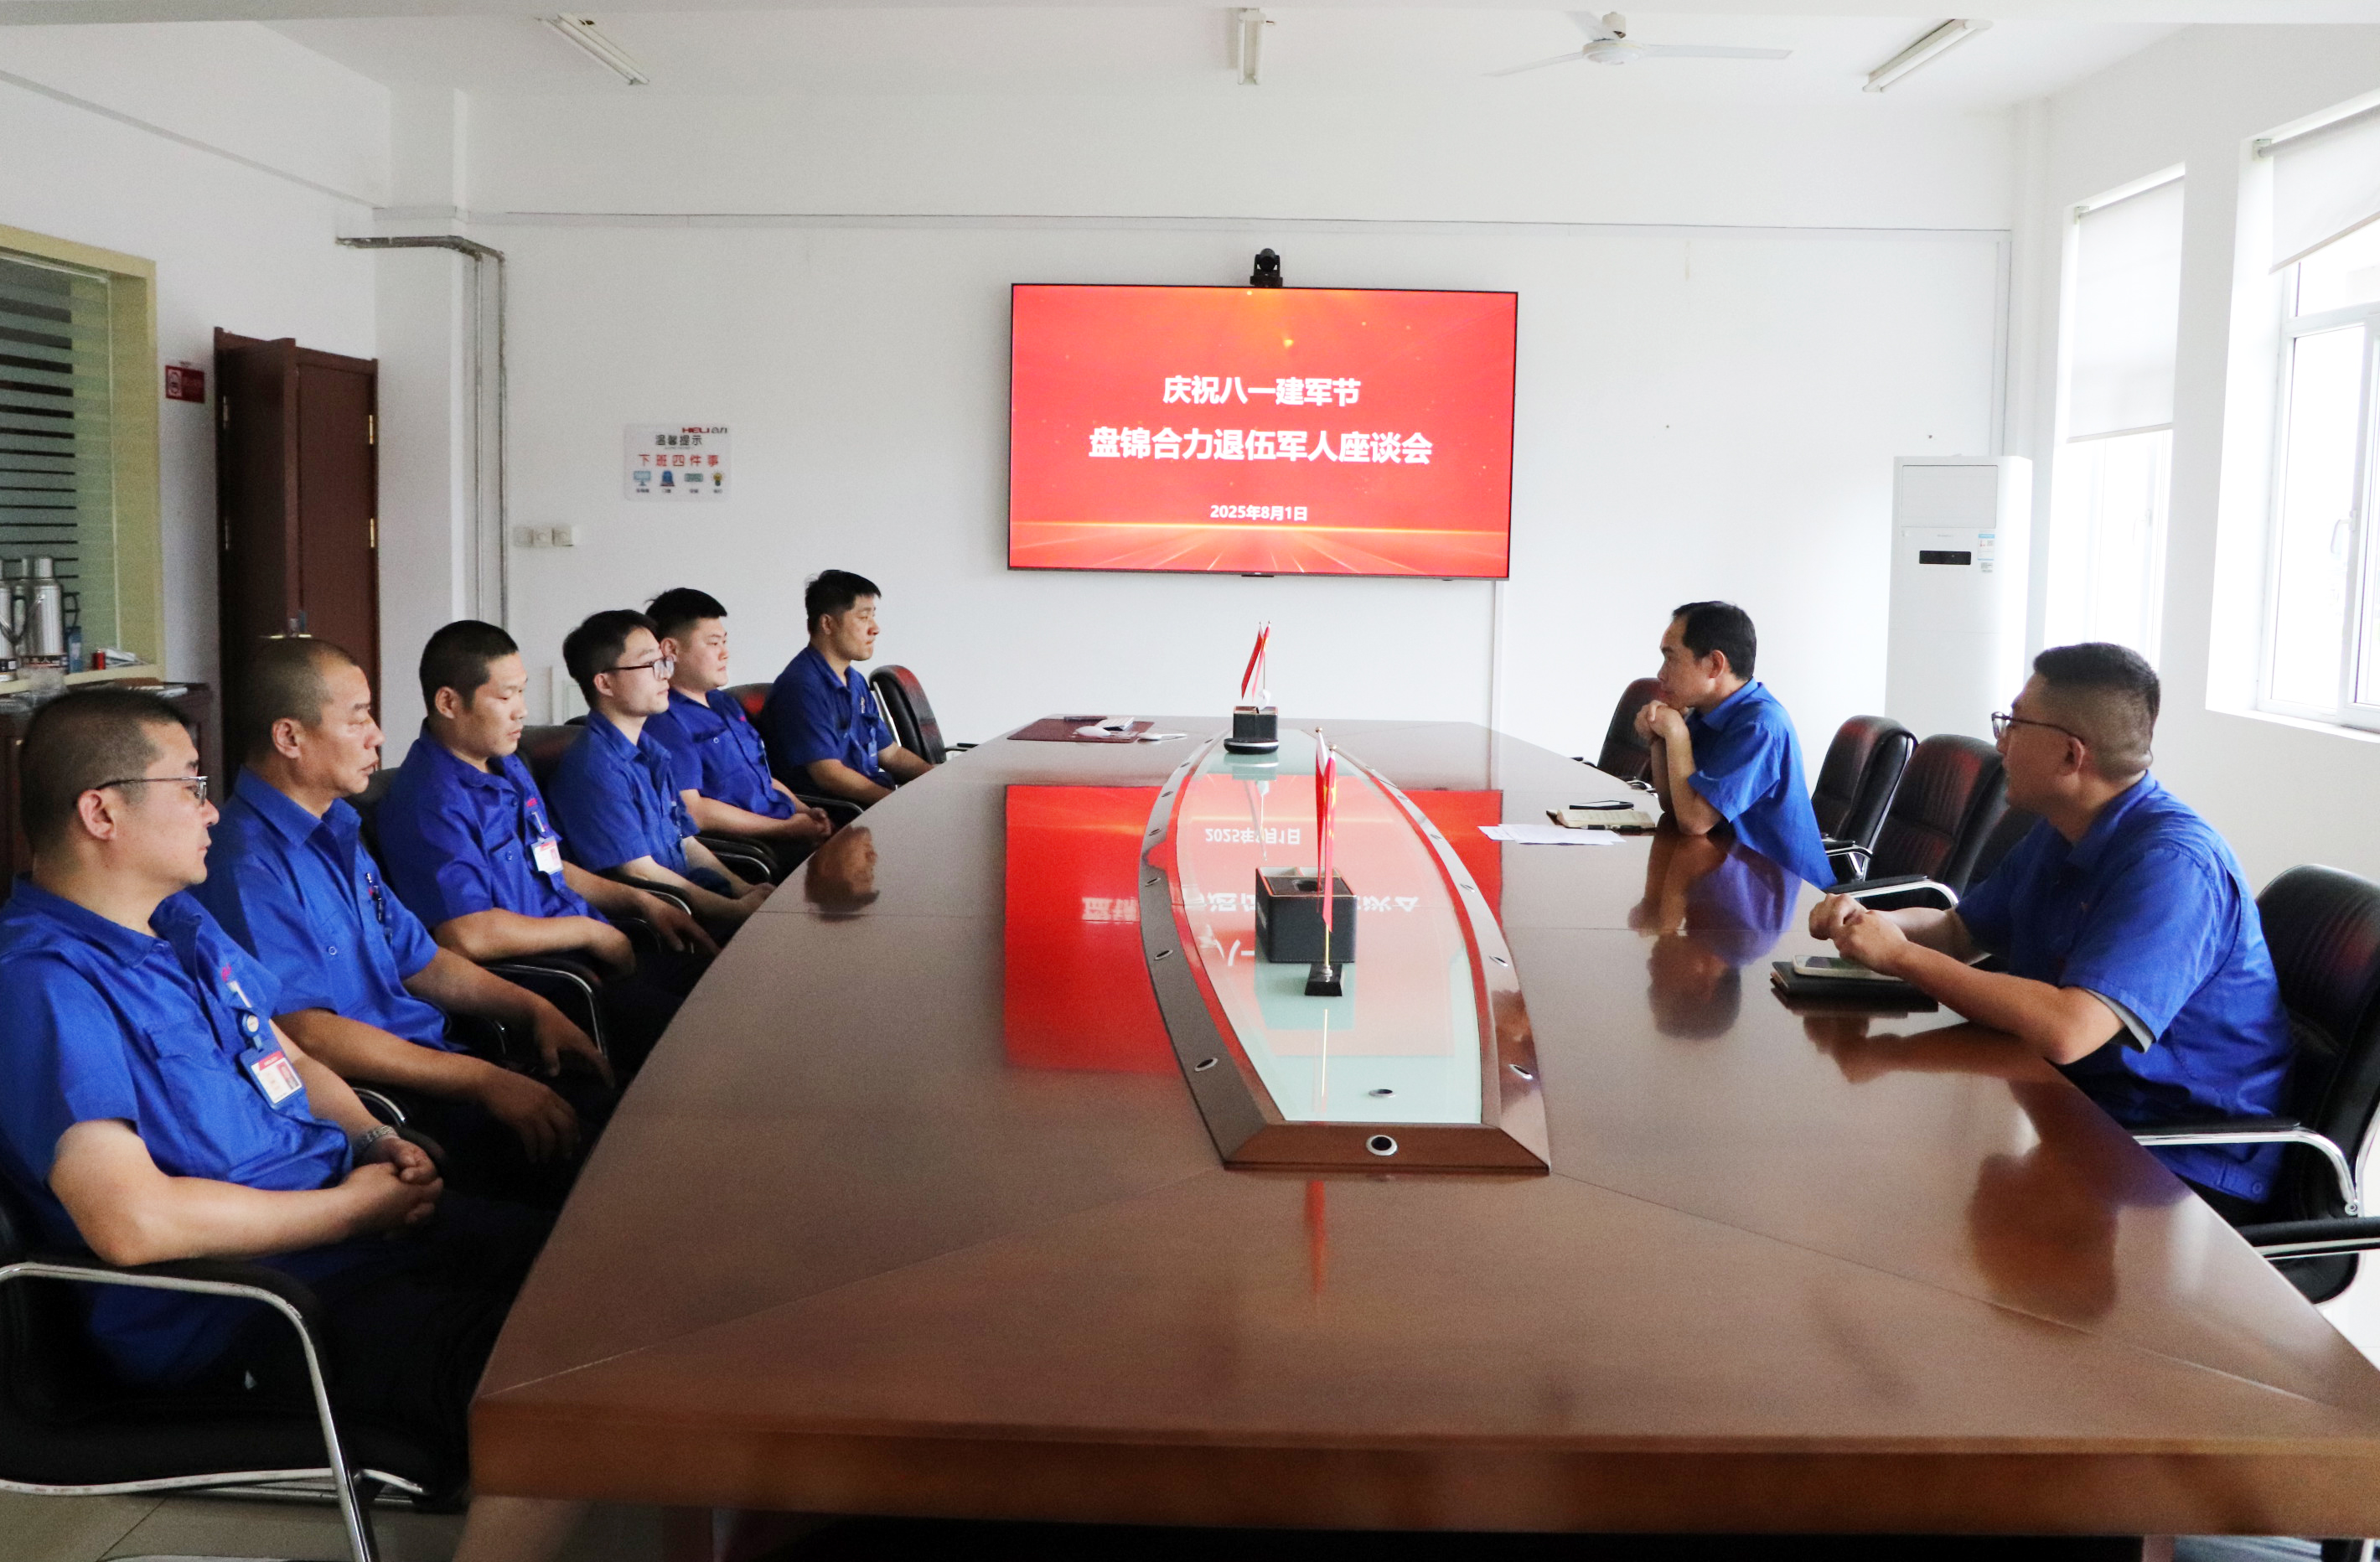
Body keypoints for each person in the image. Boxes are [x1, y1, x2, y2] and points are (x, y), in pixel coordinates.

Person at [0, 688, 583, 1559]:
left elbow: (293, 1060)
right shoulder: (45, 984)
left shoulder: (180, 925)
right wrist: (353, 1209)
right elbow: (132, 1221)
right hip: (255, 1311)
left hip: (354, 1238)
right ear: (101, 812)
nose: (211, 810)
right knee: (565, 1375)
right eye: (189, 786)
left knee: (597, 1271)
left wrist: (375, 1141)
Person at [1808, 643, 2294, 1218]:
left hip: (2178, 1161)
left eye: (2014, 723)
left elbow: (2070, 1029)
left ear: (2070, 753)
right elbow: (1958, 932)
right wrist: (1872, 922)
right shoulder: (2061, 827)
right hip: (2073, 1101)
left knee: (1905, 1202)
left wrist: (1902, 958)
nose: (2000, 741)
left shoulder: (2172, 866)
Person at [194, 636, 613, 1205]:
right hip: (388, 1101)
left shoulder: (337, 826)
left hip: (439, 1061)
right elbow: (307, 1032)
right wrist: (484, 1081)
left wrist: (534, 1009)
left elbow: (424, 961)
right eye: (358, 719)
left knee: (619, 1107)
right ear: (289, 737)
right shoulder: (245, 863)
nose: (378, 736)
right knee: (598, 1166)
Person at [375, 620, 715, 1069]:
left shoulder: (506, 764)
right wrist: (590, 932)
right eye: (506, 697)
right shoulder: (429, 800)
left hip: (589, 954)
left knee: (724, 984)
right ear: (449, 703)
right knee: (704, 1037)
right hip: (552, 982)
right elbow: (467, 934)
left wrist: (641, 901)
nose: (521, 711)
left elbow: (550, 864)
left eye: (522, 692)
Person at [547, 610, 773, 932]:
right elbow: (640, 872)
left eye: (664, 662)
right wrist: (733, 911)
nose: (665, 674)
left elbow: (686, 842)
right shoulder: (595, 766)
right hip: (658, 921)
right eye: (650, 664)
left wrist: (744, 890)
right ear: (605, 682)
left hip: (693, 899)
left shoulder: (651, 751)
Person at [1632, 601, 1833, 888]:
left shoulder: (1760, 726)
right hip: (1732, 873)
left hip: (1785, 894)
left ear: (1715, 664)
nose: (1661, 674)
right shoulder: (1706, 712)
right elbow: (1673, 806)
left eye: (1671, 659)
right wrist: (1658, 738)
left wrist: (1675, 732)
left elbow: (1693, 822)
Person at [644, 587, 831, 870]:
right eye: (713, 643)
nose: (725, 654)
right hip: (754, 852)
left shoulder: (724, 703)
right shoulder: (664, 720)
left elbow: (761, 777)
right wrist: (785, 829)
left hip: (788, 830)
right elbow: (695, 811)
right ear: (671, 650)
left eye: (724, 642)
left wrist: (807, 812)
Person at [760, 570, 931, 806]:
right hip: (842, 812)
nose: (875, 628)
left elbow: (890, 753)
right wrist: (895, 805)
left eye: (873, 616)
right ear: (828, 624)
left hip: (872, 801)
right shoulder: (802, 687)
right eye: (864, 618)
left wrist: (937, 777)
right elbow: (830, 775)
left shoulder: (855, 680)